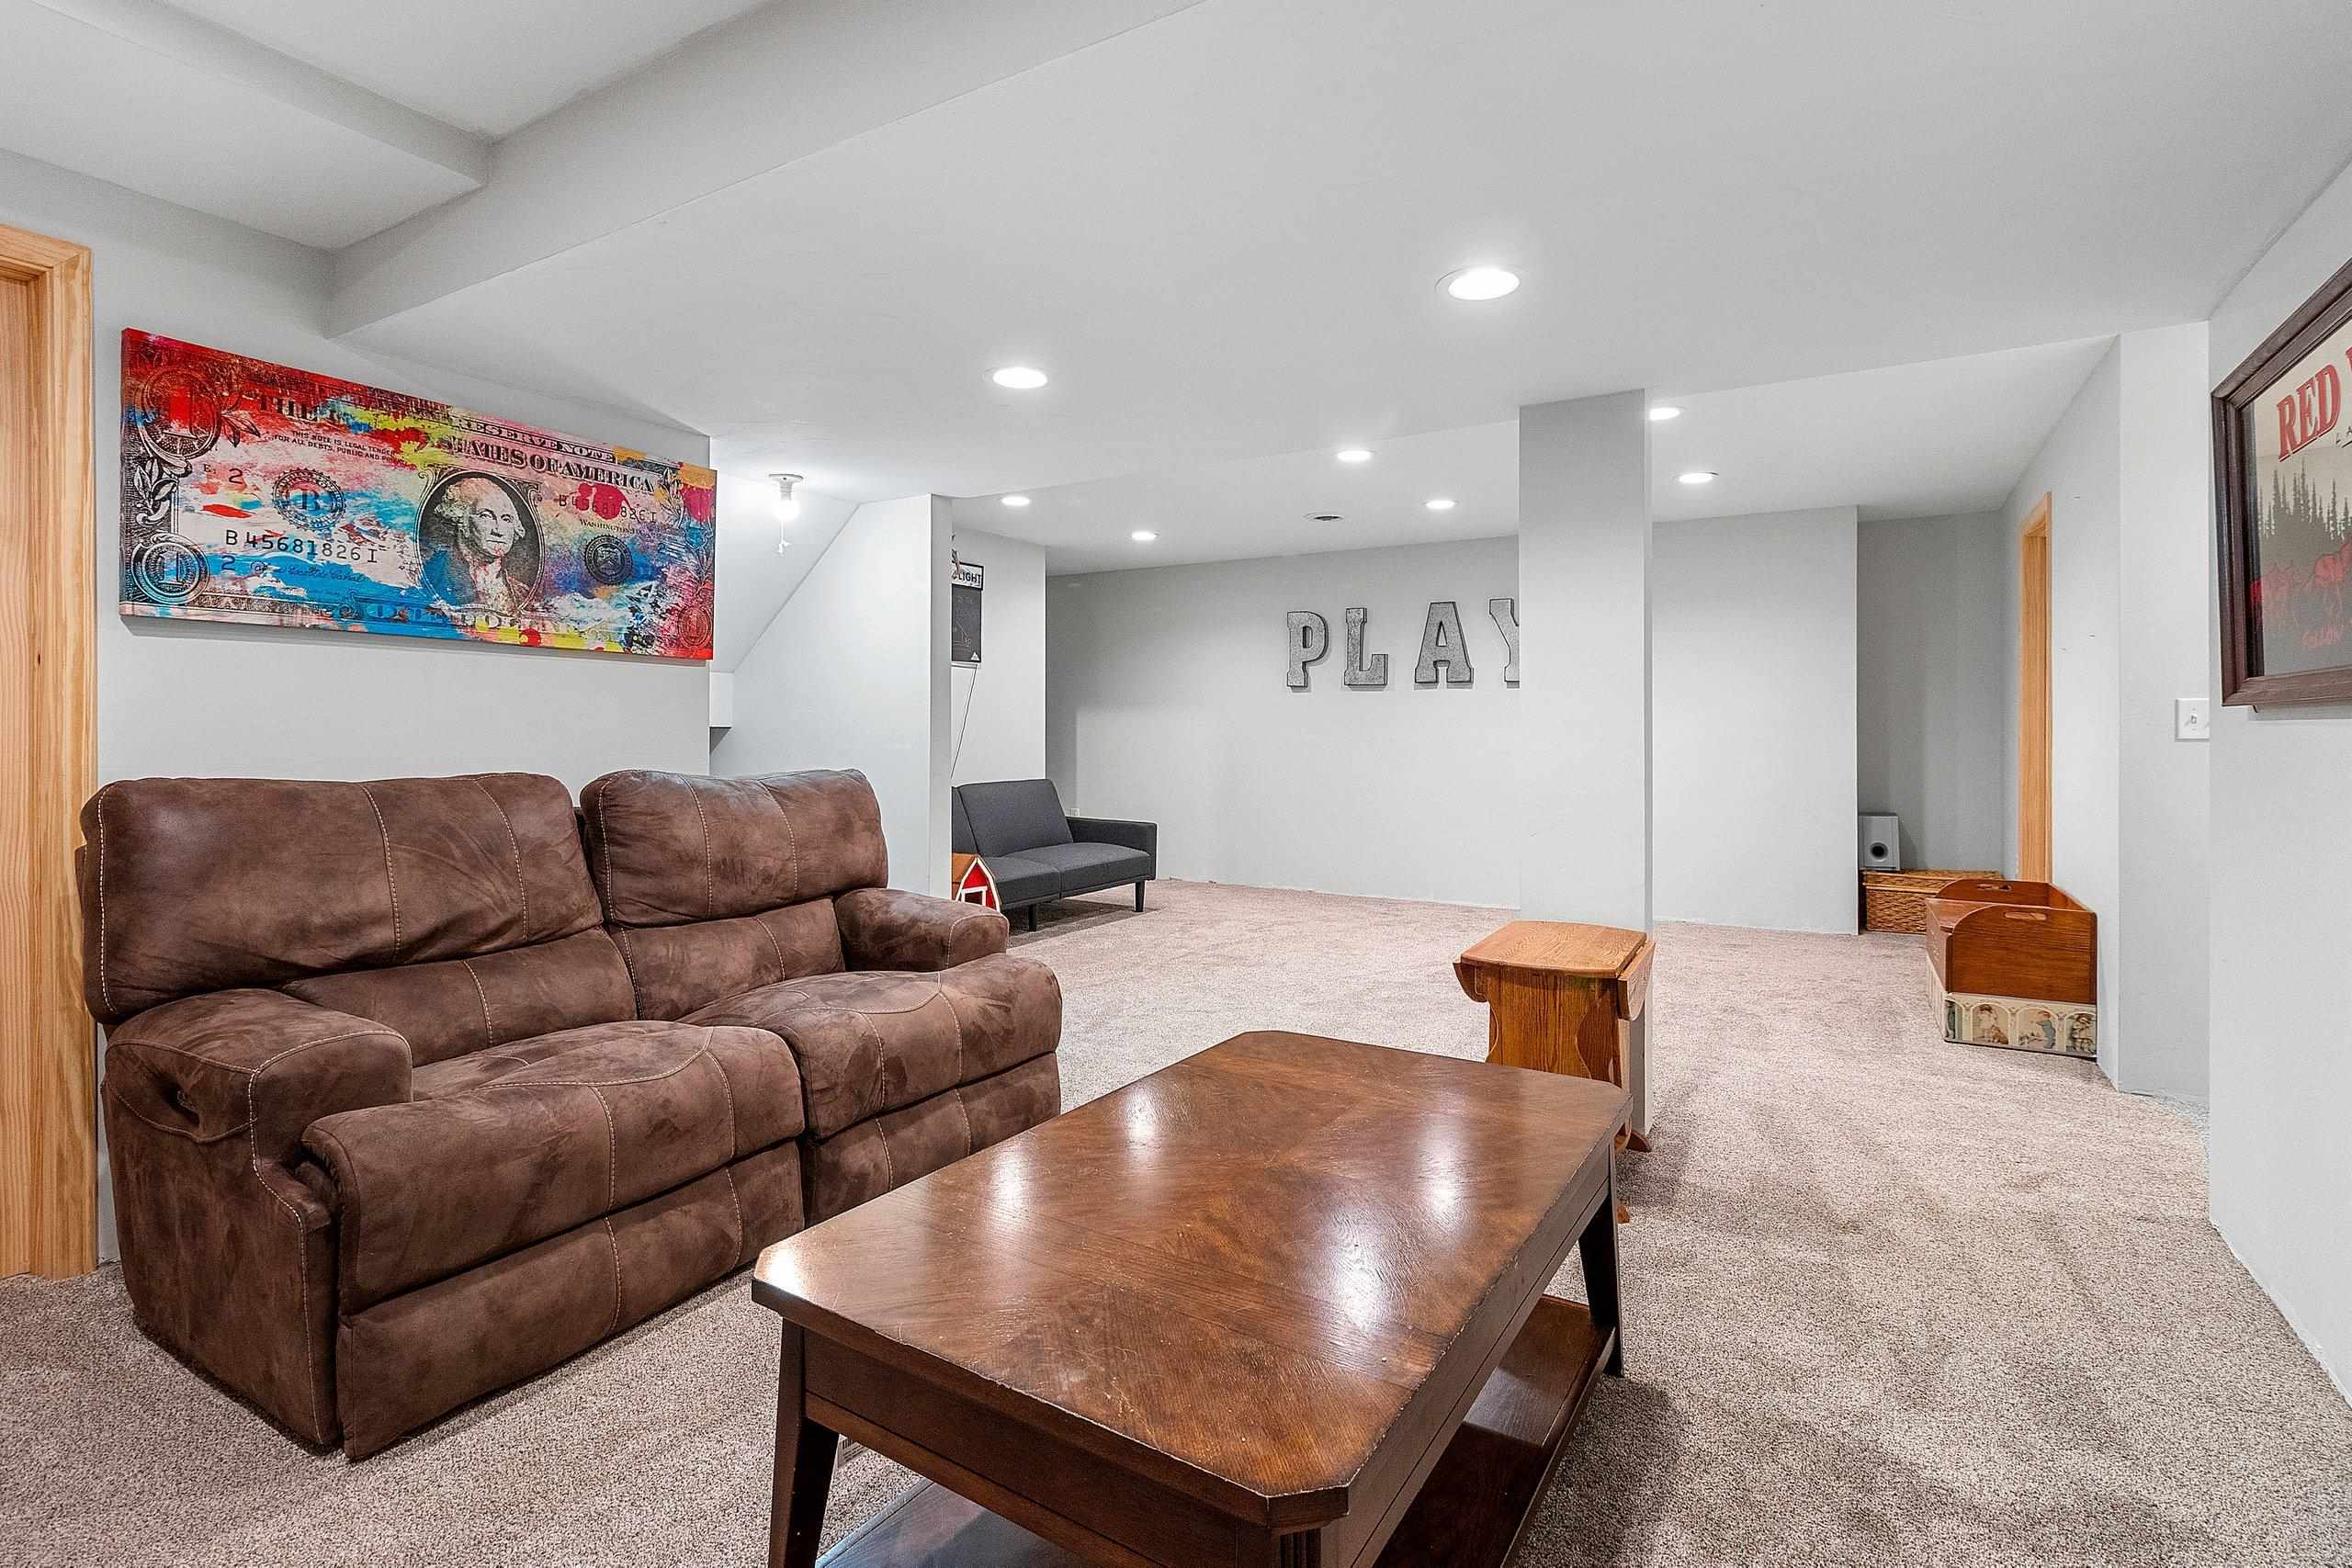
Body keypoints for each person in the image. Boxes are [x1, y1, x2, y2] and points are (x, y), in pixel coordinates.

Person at [422, 473, 536, 612]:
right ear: (462, 520)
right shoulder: (430, 578)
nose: (499, 530)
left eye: (506, 519)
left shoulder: (521, 594)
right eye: (486, 516)